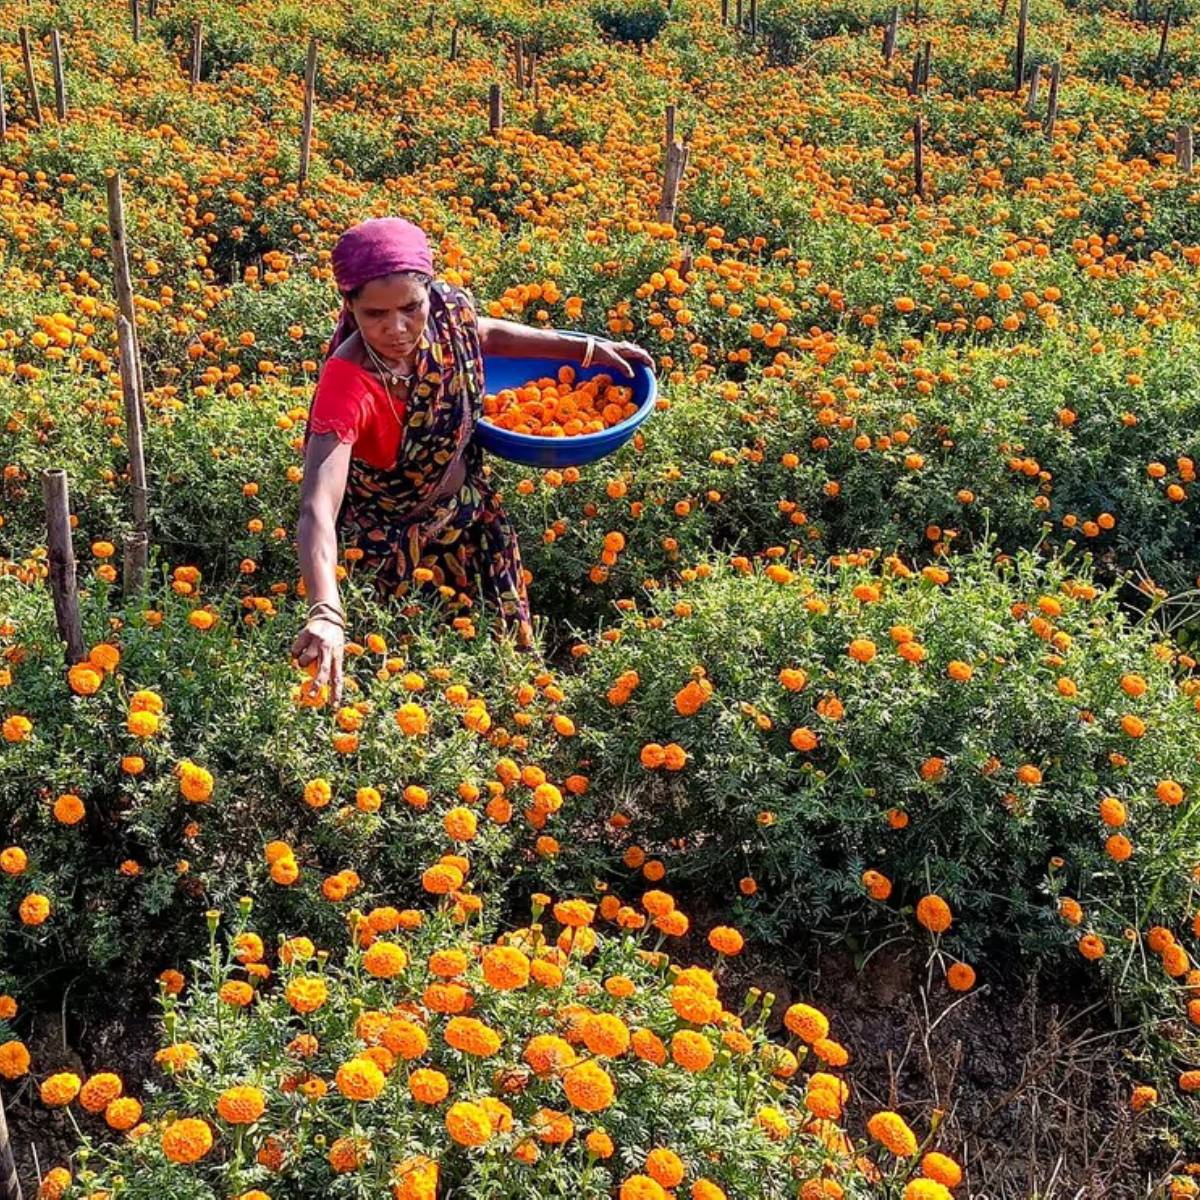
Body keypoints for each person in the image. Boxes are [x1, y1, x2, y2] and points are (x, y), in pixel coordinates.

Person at [291, 216, 653, 705]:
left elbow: (484, 334)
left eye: (410, 308)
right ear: (349, 306)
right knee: (414, 680)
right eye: (375, 315)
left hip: (471, 517)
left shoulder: (447, 311)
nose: (397, 329)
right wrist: (326, 610)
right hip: (394, 547)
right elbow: (318, 502)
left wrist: (589, 349)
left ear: (429, 293)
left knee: (502, 664)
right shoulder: (348, 382)